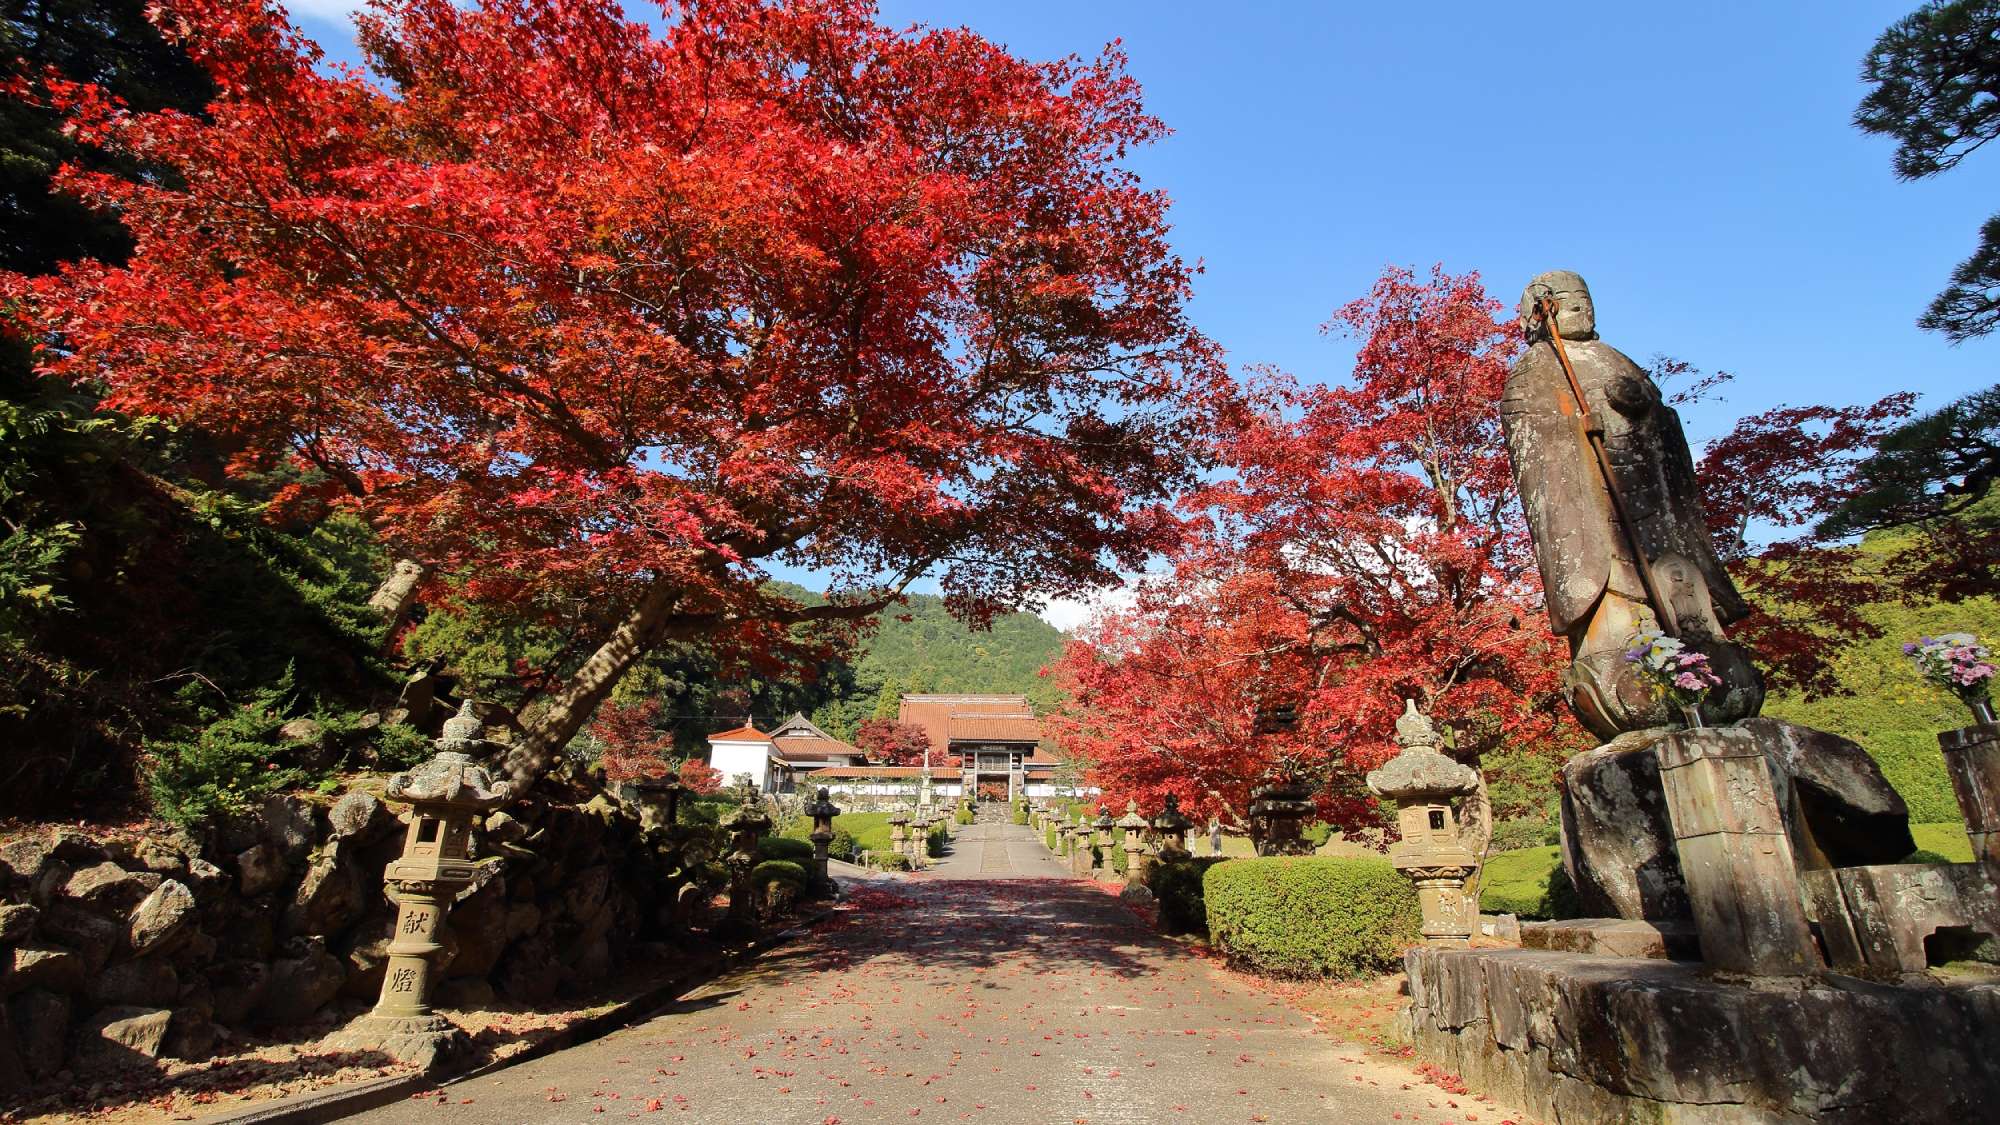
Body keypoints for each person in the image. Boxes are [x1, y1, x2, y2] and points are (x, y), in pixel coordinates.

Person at [1499, 270, 1763, 738]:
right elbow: (1532, 444)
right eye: (1567, 299)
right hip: (1597, 524)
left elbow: (1665, 433)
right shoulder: (1536, 369)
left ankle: (1698, 644)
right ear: (1543, 309)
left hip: (1656, 520)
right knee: (1617, 661)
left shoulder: (1615, 360)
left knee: (1694, 615)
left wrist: (1644, 412)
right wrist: (1575, 425)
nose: (1581, 306)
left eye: (1585, 297)